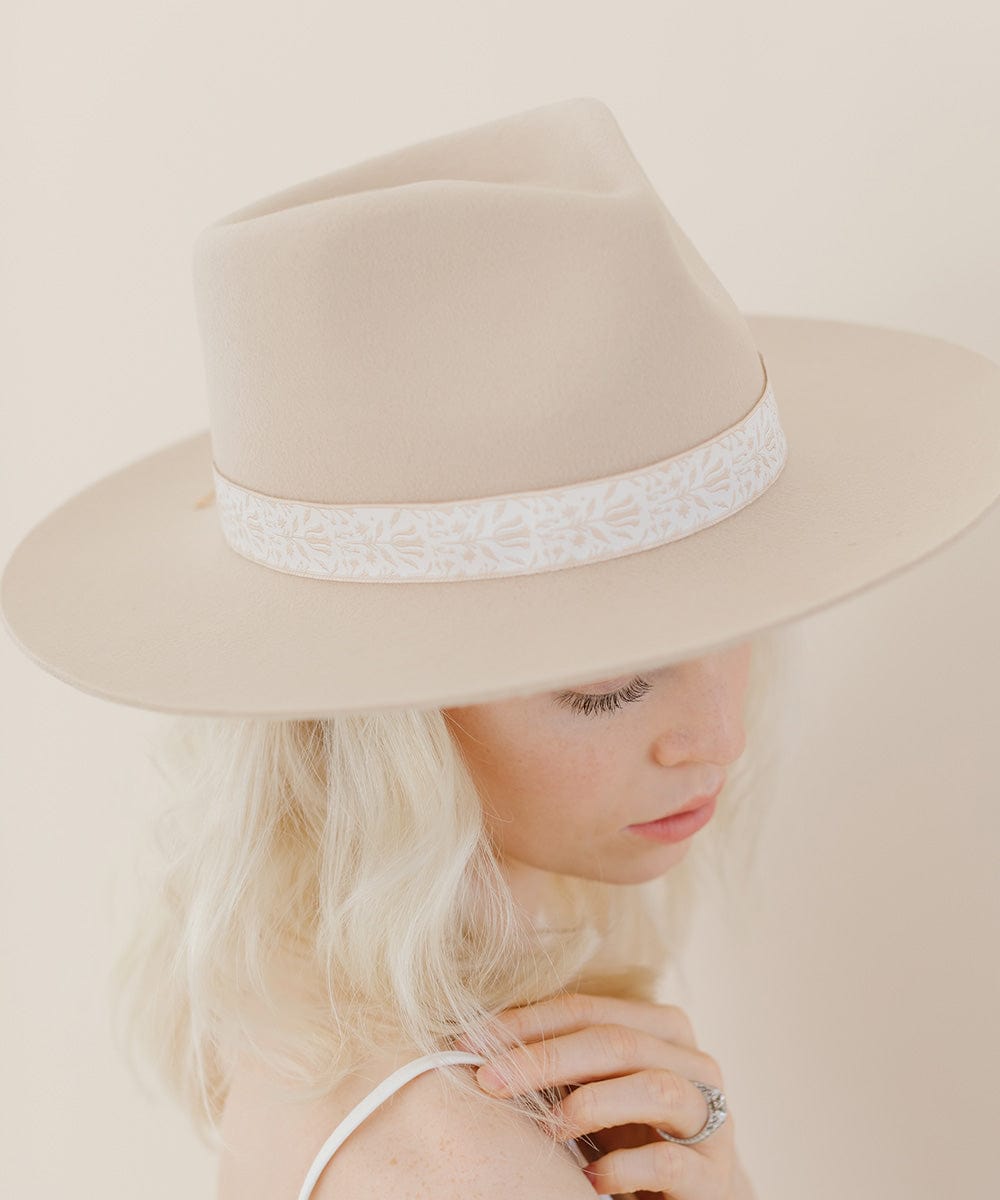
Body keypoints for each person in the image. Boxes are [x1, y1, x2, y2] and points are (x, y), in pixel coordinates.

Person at [3, 96, 999, 1200]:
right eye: (608, 689)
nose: (717, 735)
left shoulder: (319, 1033)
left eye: (734, 632)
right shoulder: (458, 1159)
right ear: (385, 731)